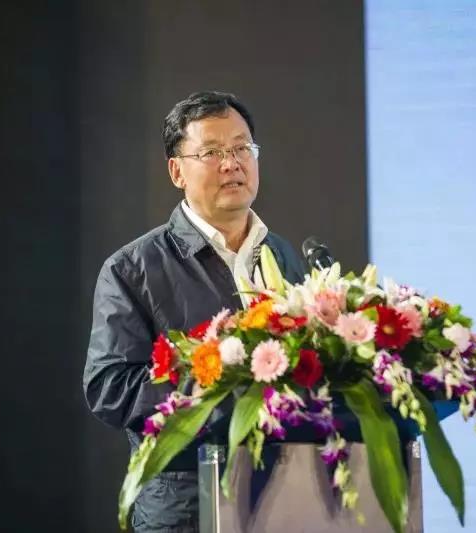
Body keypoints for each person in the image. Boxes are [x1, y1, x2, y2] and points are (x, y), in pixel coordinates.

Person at [83, 91, 306, 532]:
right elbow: (109, 388)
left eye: (242, 148)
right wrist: (219, 384)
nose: (232, 163)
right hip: (186, 509)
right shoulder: (132, 269)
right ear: (176, 171)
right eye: (211, 152)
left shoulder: (281, 255)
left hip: (286, 501)